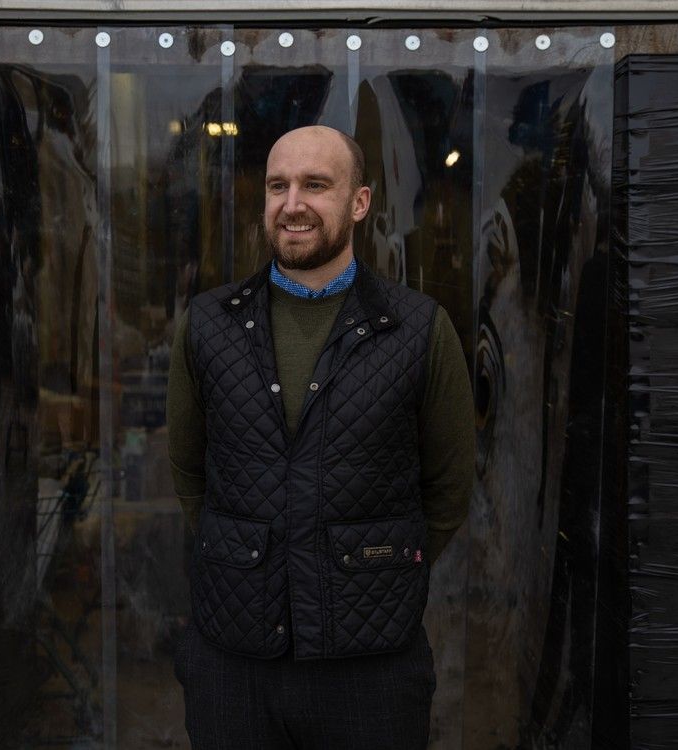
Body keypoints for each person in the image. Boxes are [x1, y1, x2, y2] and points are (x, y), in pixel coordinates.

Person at [165, 125, 475, 749]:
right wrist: (254, 557)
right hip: (233, 664)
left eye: (315, 185)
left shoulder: (418, 329)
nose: (292, 204)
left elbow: (449, 487)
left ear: (359, 203)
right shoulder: (207, 325)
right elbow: (189, 471)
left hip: (370, 669)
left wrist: (372, 569)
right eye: (277, 186)